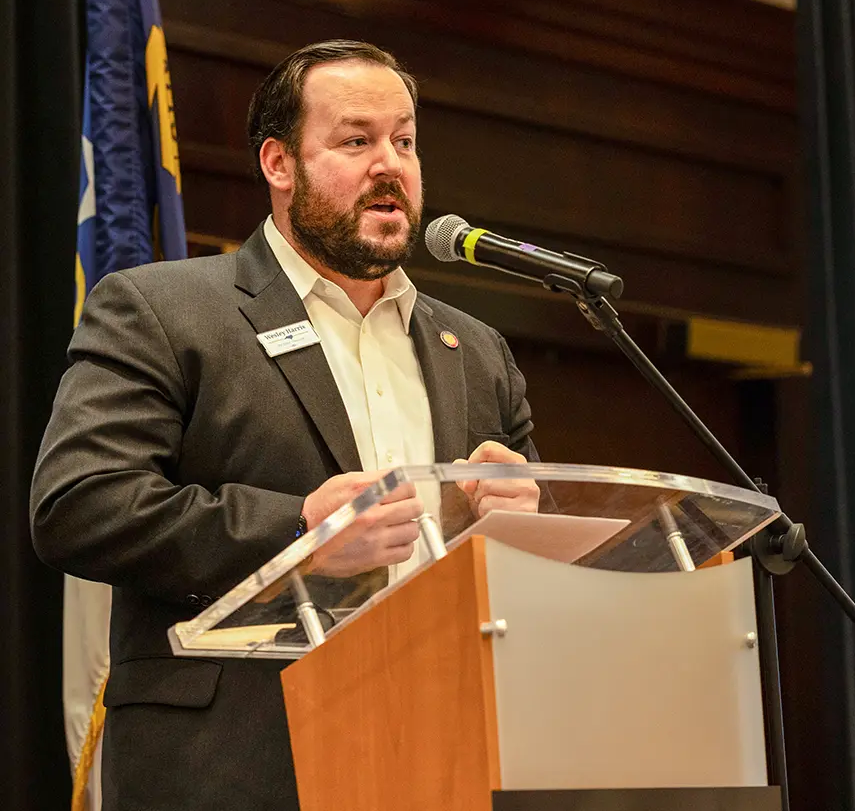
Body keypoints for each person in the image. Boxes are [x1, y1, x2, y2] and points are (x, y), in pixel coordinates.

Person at [31, 40, 540, 811]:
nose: (391, 165)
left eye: (404, 141)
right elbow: (80, 507)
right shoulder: (163, 311)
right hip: (235, 766)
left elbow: (532, 561)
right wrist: (301, 529)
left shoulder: (476, 352)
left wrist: (522, 526)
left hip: (446, 757)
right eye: (355, 140)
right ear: (279, 164)